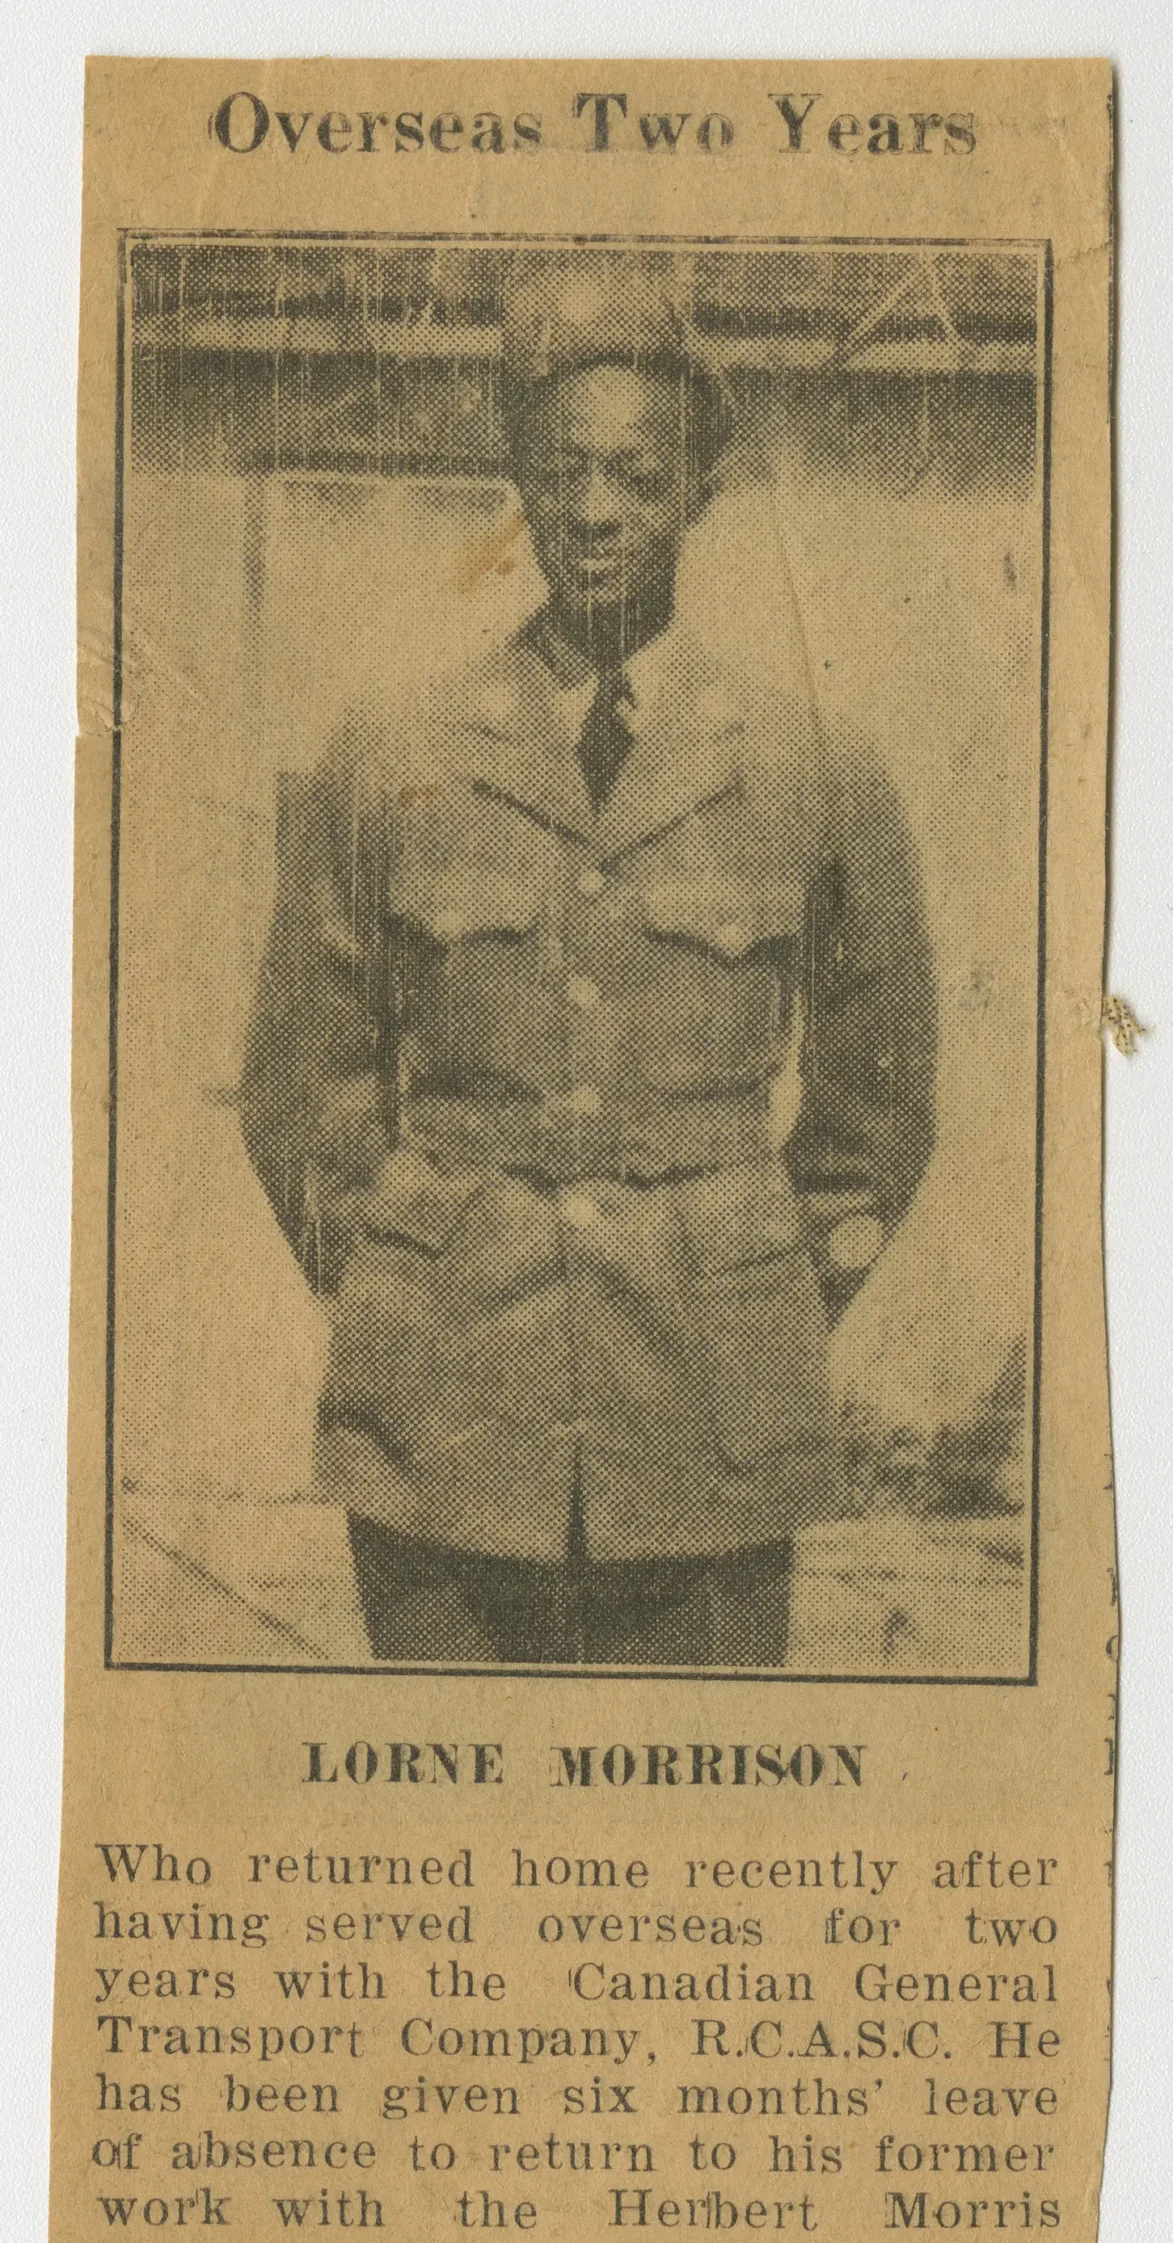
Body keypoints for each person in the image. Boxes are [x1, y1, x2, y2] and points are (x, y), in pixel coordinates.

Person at [240, 251, 936, 1667]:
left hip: (712, 1431)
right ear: (522, 482)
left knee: (691, 1848)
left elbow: (880, 1095)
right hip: (443, 1422)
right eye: (564, 473)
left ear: (697, 488)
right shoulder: (396, 753)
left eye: (636, 474)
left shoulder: (811, 764)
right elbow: (301, 1078)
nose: (598, 512)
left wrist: (763, 1288)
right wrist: (402, 1278)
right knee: (445, 1835)